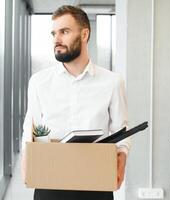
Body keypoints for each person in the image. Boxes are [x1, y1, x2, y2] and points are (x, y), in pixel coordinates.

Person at [21, 5, 131, 200]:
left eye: (64, 31)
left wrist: (121, 160)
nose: (57, 39)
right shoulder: (39, 82)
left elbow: (120, 131)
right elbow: (33, 129)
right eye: (54, 33)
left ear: (84, 34)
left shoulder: (112, 82)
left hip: (96, 182)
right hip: (51, 181)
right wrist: (27, 165)